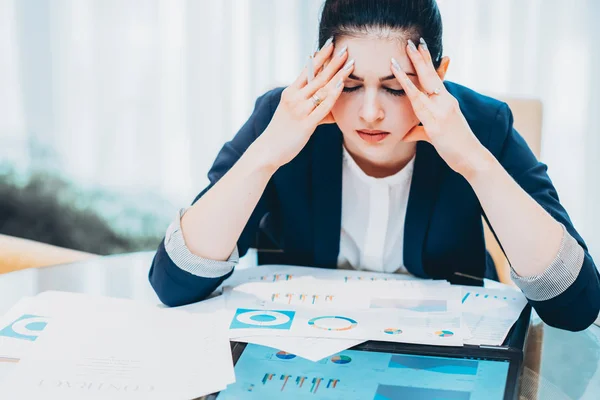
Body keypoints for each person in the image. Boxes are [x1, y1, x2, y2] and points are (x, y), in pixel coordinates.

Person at [149, 0, 600, 331]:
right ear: (319, 70)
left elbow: (576, 306)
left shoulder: (480, 124)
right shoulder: (283, 118)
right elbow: (174, 284)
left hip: (439, 359)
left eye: (395, 88)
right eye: (348, 84)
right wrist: (266, 155)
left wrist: (475, 162)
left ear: (436, 75)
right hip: (302, 351)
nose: (369, 113)